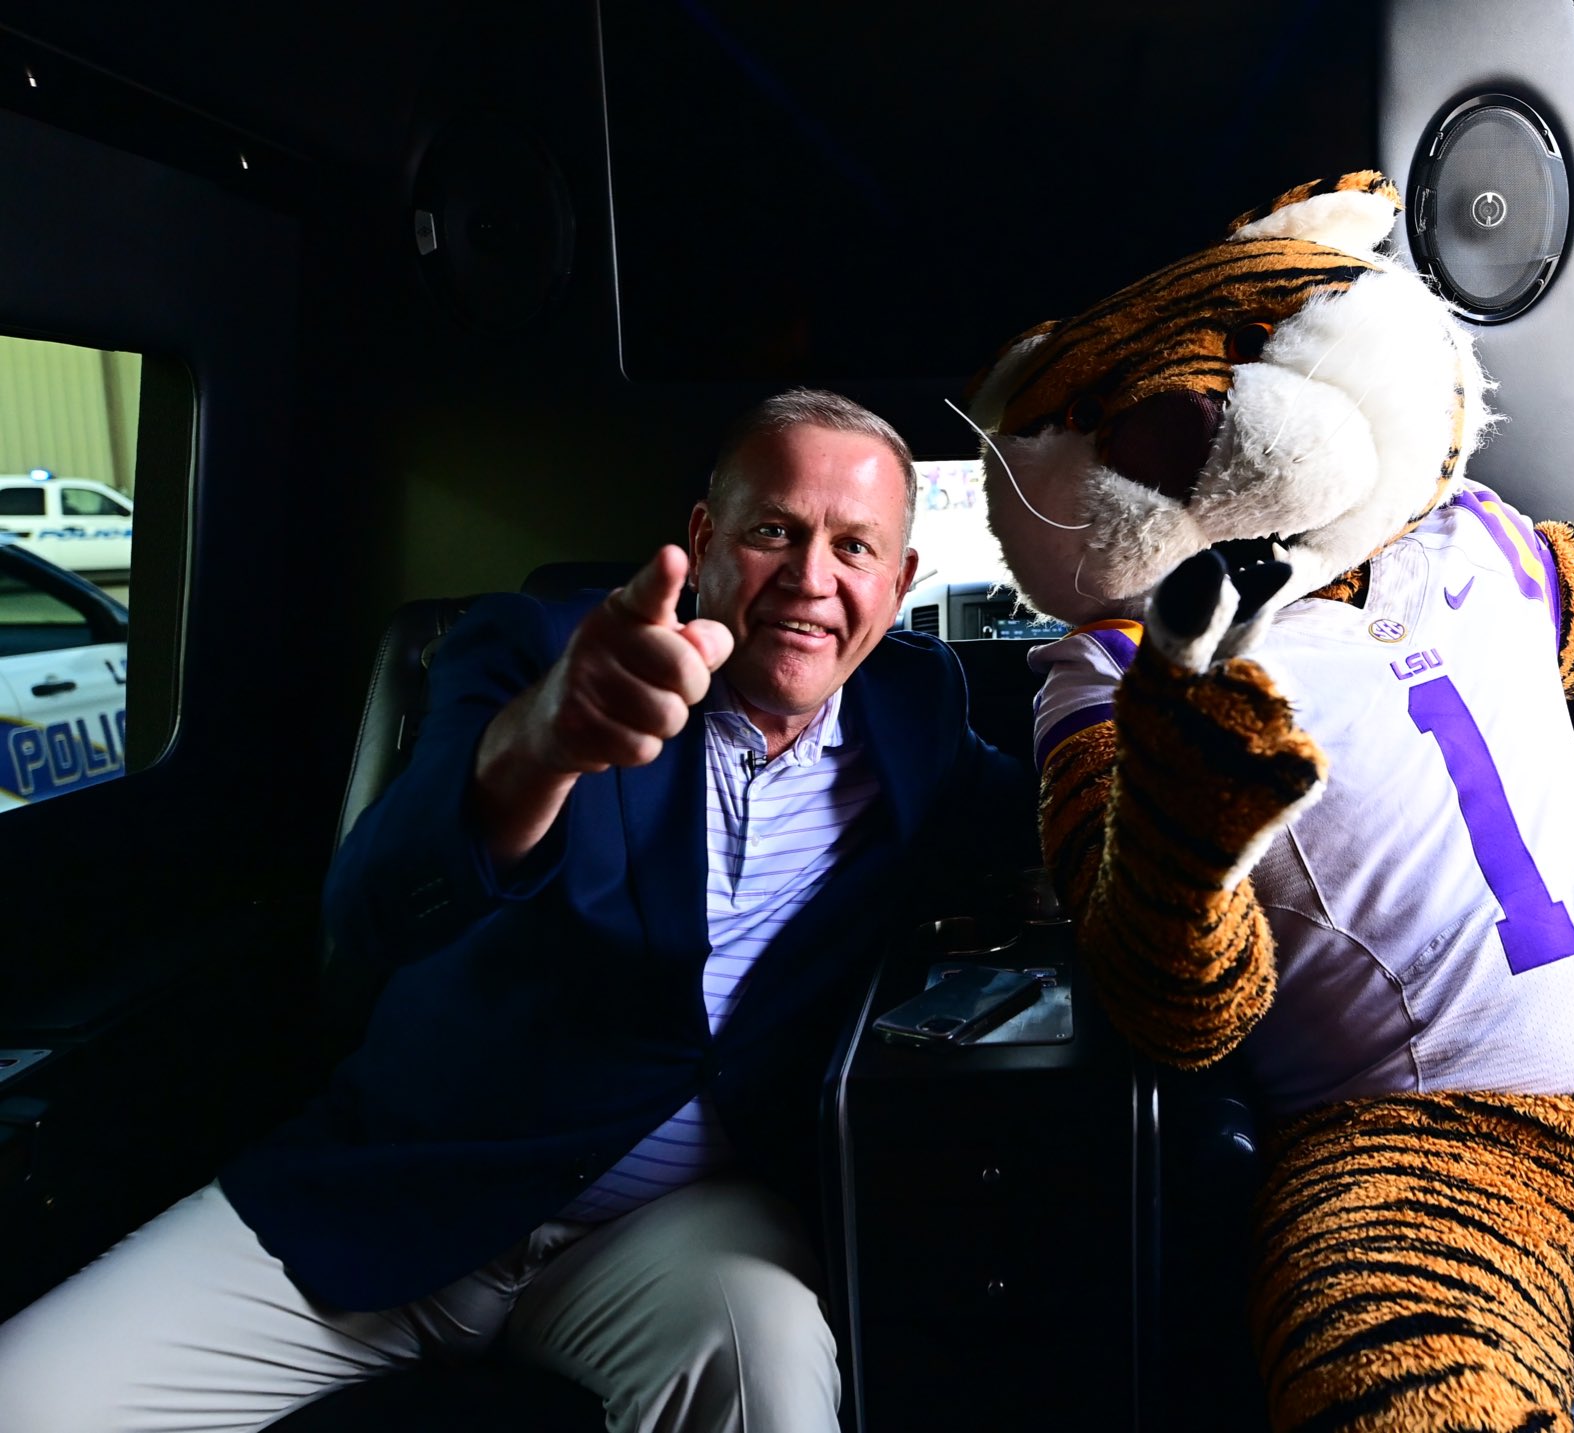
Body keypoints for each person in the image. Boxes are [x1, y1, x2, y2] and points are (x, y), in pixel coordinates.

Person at [0, 389, 1035, 1432]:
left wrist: (1114, 676)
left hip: (672, 1230)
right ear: (703, 538)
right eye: (774, 530)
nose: (811, 577)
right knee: (30, 1398)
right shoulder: (539, 651)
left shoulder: (917, 708)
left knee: (765, 1351)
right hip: (410, 1185)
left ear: (900, 580)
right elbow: (373, 910)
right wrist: (541, 746)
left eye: (854, 546)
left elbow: (1046, 828)